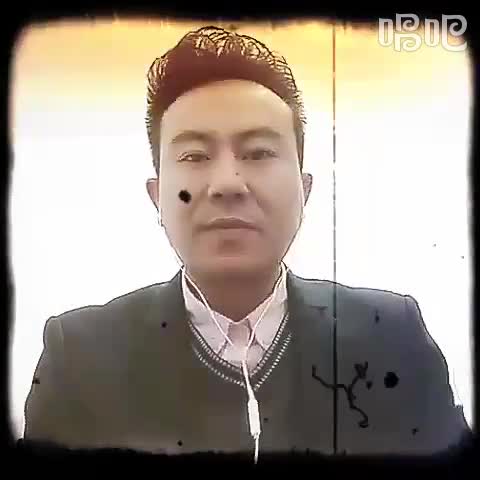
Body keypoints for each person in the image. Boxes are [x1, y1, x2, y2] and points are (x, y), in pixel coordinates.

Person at [23, 25, 471, 459]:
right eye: (194, 155)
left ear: (305, 189)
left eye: (258, 153)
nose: (227, 183)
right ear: (158, 197)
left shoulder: (392, 338)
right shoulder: (79, 357)